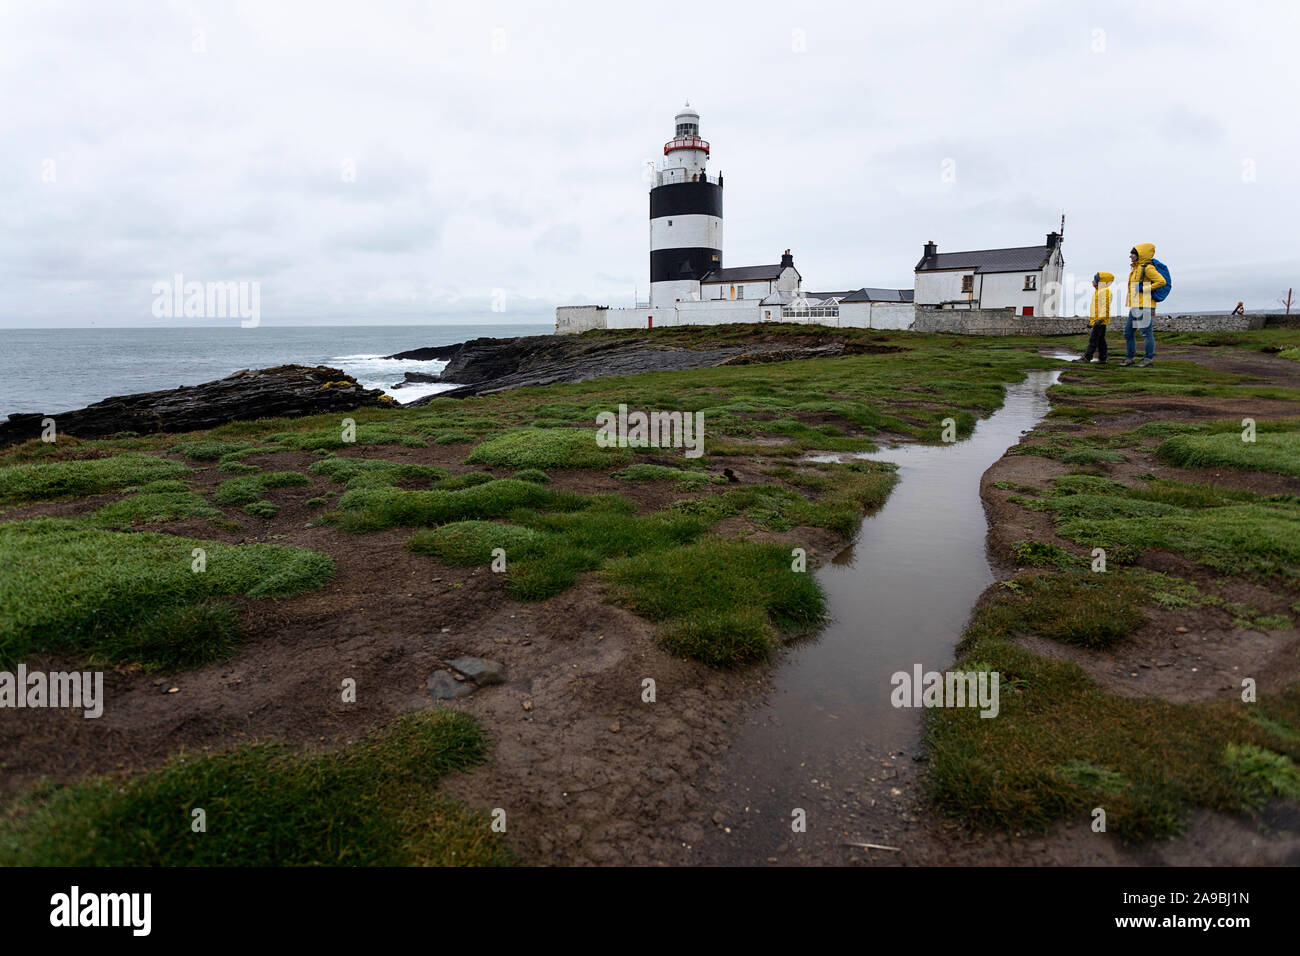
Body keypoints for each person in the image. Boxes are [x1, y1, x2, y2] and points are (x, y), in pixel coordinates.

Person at [1121, 242, 1165, 367]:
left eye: (1133, 253)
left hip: (1144, 304)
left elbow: (1161, 281)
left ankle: (1148, 359)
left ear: (1139, 254)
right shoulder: (1136, 268)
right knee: (1128, 333)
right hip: (1135, 305)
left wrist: (1145, 288)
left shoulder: (1148, 268)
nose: (1130, 256)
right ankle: (1129, 358)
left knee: (1146, 333)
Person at [1082, 272, 1113, 363]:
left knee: (1093, 340)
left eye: (1095, 279)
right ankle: (1103, 358)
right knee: (1101, 341)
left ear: (1100, 282)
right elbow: (1095, 309)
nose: (1092, 281)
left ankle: (1087, 357)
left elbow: (1105, 306)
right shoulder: (1098, 292)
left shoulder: (1104, 292)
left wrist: (1100, 319)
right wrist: (1091, 321)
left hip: (1100, 321)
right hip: (1098, 320)